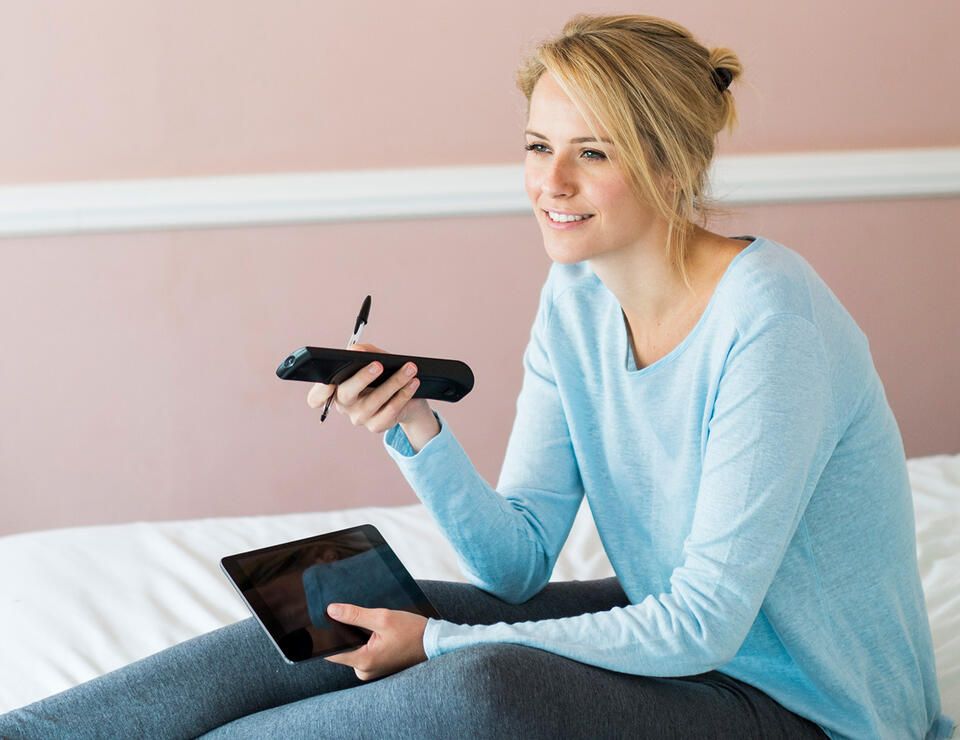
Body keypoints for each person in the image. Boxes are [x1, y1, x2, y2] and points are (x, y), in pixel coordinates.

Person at [0, 13, 951, 740]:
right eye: (539, 146)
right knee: (327, 598)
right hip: (687, 650)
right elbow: (516, 565)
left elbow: (701, 624)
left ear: (668, 165)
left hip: (815, 708)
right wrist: (415, 427)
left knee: (478, 683)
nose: (552, 182)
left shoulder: (770, 317)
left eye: (593, 152)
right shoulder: (576, 296)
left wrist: (449, 643)